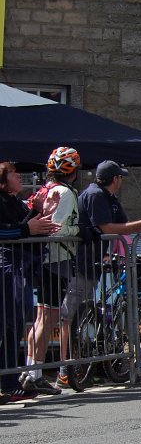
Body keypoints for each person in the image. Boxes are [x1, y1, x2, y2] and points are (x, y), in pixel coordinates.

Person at [65, 160, 141, 386]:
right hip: (83, 261)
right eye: (120, 177)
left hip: (99, 260)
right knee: (72, 315)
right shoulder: (95, 195)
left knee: (96, 310)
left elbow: (124, 224)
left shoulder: (109, 198)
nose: (121, 181)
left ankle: (100, 363)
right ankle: (67, 367)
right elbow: (107, 229)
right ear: (115, 179)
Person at [20, 147, 81, 396]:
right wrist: (79, 232)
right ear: (73, 171)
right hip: (56, 259)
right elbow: (55, 228)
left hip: (49, 259)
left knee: (43, 317)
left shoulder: (46, 189)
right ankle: (33, 373)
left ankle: (31, 370)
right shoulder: (65, 193)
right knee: (47, 318)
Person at [0, 162, 58, 403]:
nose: (18, 176)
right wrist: (29, 227)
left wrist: (41, 213)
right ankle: (8, 383)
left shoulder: (12, 201)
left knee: (13, 326)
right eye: (13, 173)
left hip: (20, 267)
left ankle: (10, 383)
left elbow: (26, 226)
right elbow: (9, 231)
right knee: (8, 325)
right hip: (7, 268)